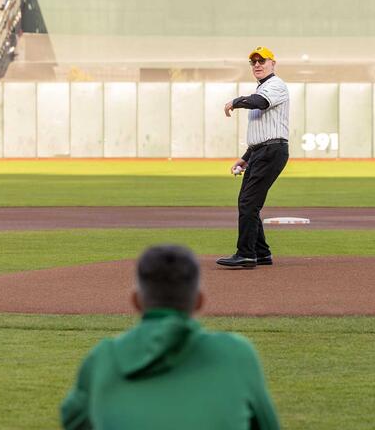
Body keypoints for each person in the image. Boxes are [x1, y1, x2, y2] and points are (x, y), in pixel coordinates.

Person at [60, 245, 280, 430]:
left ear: (137, 301)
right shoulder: (236, 354)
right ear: (199, 301)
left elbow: (73, 421)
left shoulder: (103, 358)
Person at [216, 46, 289, 268]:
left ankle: (246, 254)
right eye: (253, 62)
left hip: (272, 151)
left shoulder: (275, 85)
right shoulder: (262, 88)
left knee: (248, 202)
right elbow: (261, 131)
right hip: (261, 151)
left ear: (272, 63)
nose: (257, 64)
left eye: (262, 60)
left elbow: (259, 103)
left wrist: (236, 101)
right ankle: (261, 252)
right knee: (247, 202)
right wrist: (246, 157)